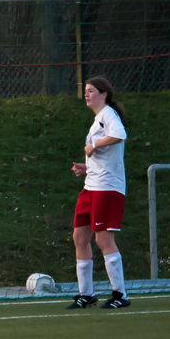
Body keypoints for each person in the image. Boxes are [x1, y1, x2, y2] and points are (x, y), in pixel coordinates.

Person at [68, 77, 130, 310]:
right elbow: (106, 154)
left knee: (103, 240)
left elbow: (119, 135)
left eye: (91, 91)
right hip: (91, 186)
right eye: (85, 91)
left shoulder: (108, 114)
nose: (87, 94)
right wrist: (86, 166)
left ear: (104, 94)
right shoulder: (98, 120)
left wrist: (94, 146)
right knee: (80, 238)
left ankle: (120, 295)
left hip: (107, 188)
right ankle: (86, 295)